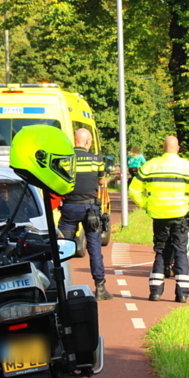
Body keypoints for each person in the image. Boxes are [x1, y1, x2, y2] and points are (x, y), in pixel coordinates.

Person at [129, 136, 189, 303]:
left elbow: (134, 190)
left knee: (161, 250)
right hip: (180, 214)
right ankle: (182, 293)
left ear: (163, 148)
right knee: (181, 251)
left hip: (159, 216)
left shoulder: (150, 166)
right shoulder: (188, 167)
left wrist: (147, 205)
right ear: (178, 148)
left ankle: (155, 291)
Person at [58, 128, 113, 300]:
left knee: (61, 247)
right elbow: (102, 181)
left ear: (74, 141)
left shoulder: (65, 160)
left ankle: (60, 287)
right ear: (88, 142)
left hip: (69, 209)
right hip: (90, 210)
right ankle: (100, 287)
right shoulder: (96, 160)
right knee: (95, 248)